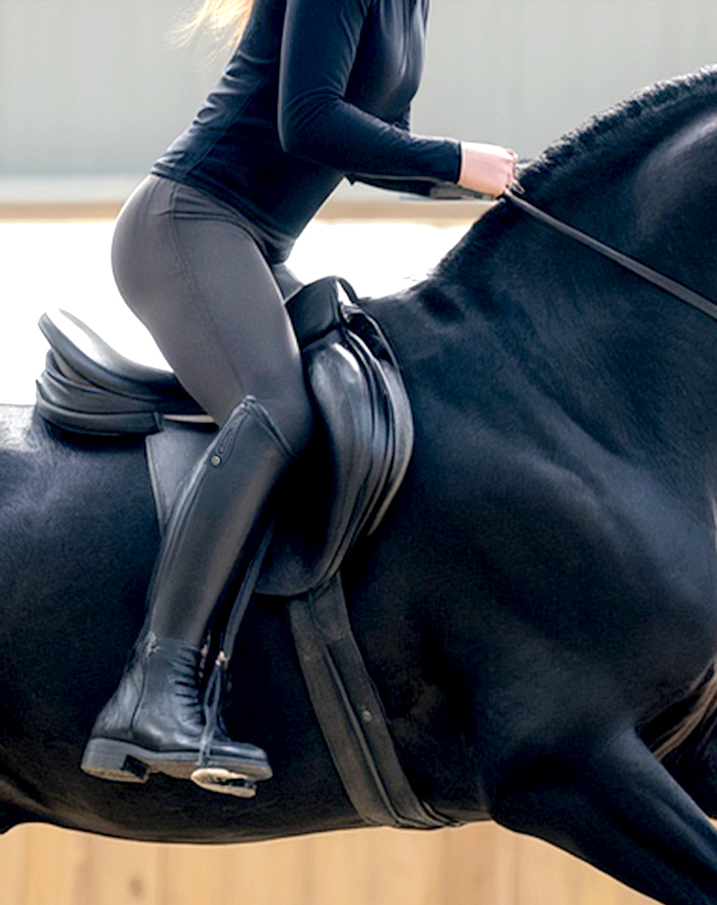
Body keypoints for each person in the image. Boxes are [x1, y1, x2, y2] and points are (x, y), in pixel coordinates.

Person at [81, 0, 517, 796]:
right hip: (189, 220)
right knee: (275, 410)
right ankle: (152, 687)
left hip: (249, 242)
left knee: (357, 391)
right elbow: (310, 122)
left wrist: (502, 187)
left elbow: (374, 142)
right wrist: (457, 160)